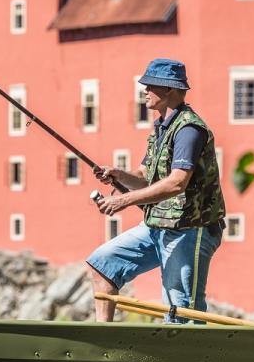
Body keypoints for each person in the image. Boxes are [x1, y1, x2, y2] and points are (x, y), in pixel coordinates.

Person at [86, 58, 226, 322]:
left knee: (181, 310)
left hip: (189, 230)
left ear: (169, 90)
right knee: (102, 265)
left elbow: (177, 182)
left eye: (150, 85)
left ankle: (188, 360)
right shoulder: (162, 127)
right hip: (158, 224)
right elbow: (145, 177)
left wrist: (123, 201)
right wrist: (119, 175)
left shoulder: (189, 129)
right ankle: (103, 341)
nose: (144, 90)